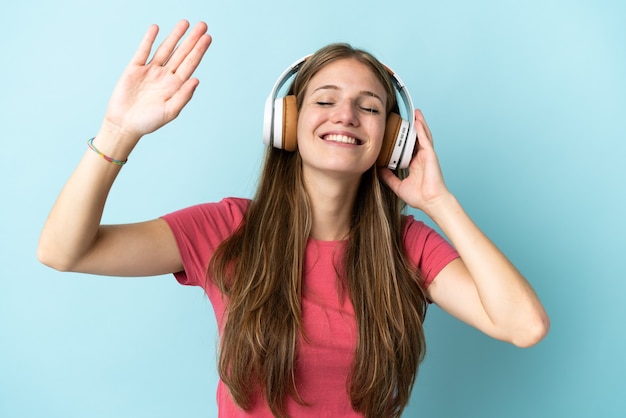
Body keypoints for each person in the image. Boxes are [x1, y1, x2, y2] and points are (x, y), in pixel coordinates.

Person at [37, 19, 549, 418]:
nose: (345, 115)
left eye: (368, 108)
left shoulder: (408, 246)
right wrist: (117, 131)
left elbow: (524, 326)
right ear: (286, 123)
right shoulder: (226, 230)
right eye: (324, 101)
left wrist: (438, 200)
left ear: (392, 139)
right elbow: (64, 250)